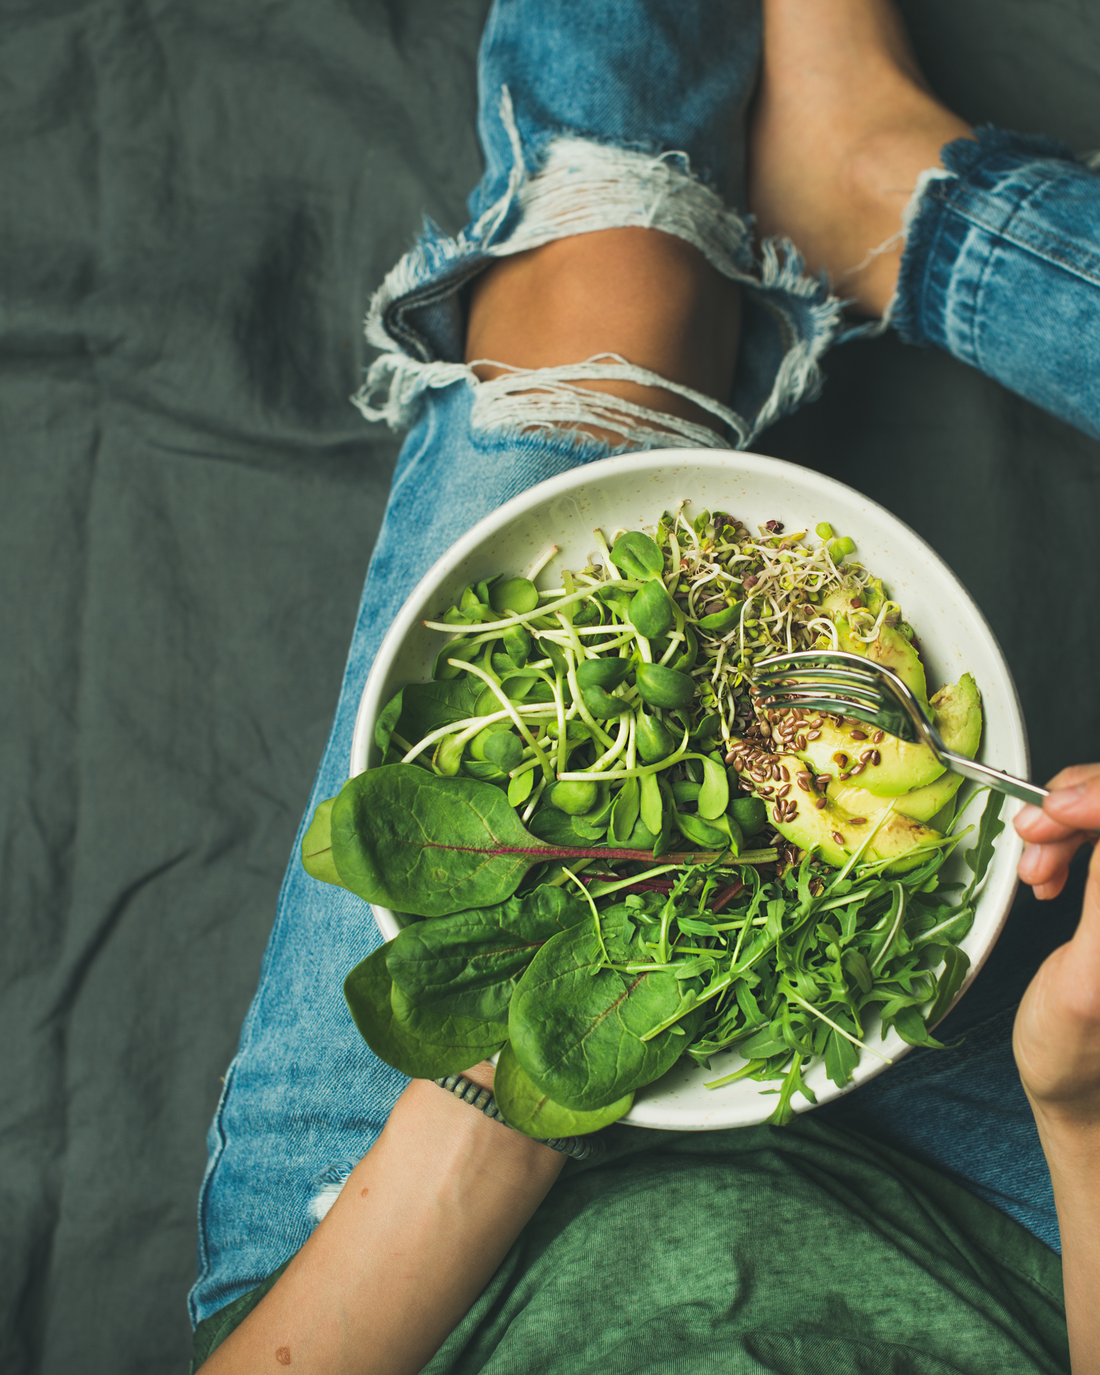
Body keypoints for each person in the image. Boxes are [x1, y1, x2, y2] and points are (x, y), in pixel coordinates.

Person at [189, 1, 1100, 1370]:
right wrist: (1080, 1105)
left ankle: (867, 181)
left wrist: (510, 1089)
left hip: (423, 1250)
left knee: (613, 268)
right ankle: (901, 199)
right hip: (1012, 1224)